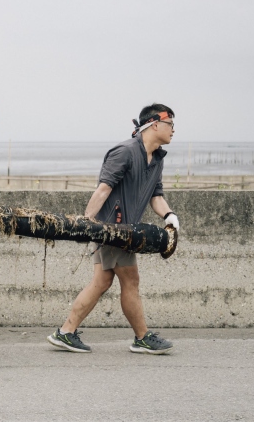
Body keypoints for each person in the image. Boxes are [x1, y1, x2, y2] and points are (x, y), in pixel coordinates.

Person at [48, 104, 180, 355]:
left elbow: (156, 196)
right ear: (155, 124)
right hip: (112, 230)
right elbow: (103, 189)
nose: (174, 130)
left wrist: (170, 215)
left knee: (101, 281)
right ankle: (142, 337)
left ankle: (65, 332)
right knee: (131, 281)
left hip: (123, 232)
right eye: (170, 124)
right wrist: (88, 223)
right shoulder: (125, 152)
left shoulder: (157, 158)